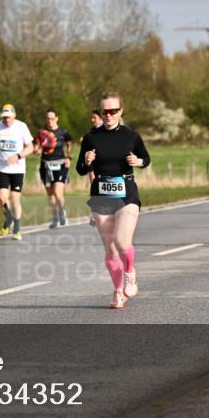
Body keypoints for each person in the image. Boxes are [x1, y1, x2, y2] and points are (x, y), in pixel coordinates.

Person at [75, 93, 150, 309]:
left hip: (126, 192)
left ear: (120, 111)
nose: (108, 115)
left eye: (112, 111)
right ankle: (118, 291)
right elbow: (80, 168)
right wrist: (87, 161)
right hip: (101, 194)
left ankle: (130, 273)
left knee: (121, 241)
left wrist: (138, 161)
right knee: (110, 249)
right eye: (104, 111)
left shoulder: (131, 136)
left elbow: (146, 158)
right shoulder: (91, 137)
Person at [0, 104, 34, 240]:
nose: (6, 120)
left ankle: (17, 229)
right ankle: (9, 218)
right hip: (2, 168)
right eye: (4, 117)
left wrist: (18, 156)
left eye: (9, 117)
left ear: (14, 115)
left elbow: (30, 147)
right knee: (2, 199)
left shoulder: (21, 126)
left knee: (15, 198)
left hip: (18, 169)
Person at [34, 109, 73, 229]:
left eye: (52, 118)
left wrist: (68, 157)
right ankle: (55, 217)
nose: (50, 121)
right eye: (48, 119)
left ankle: (62, 213)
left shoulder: (63, 132)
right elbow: (36, 146)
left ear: (57, 118)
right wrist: (36, 150)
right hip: (46, 165)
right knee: (50, 194)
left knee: (57, 192)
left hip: (60, 164)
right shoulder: (42, 133)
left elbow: (69, 144)